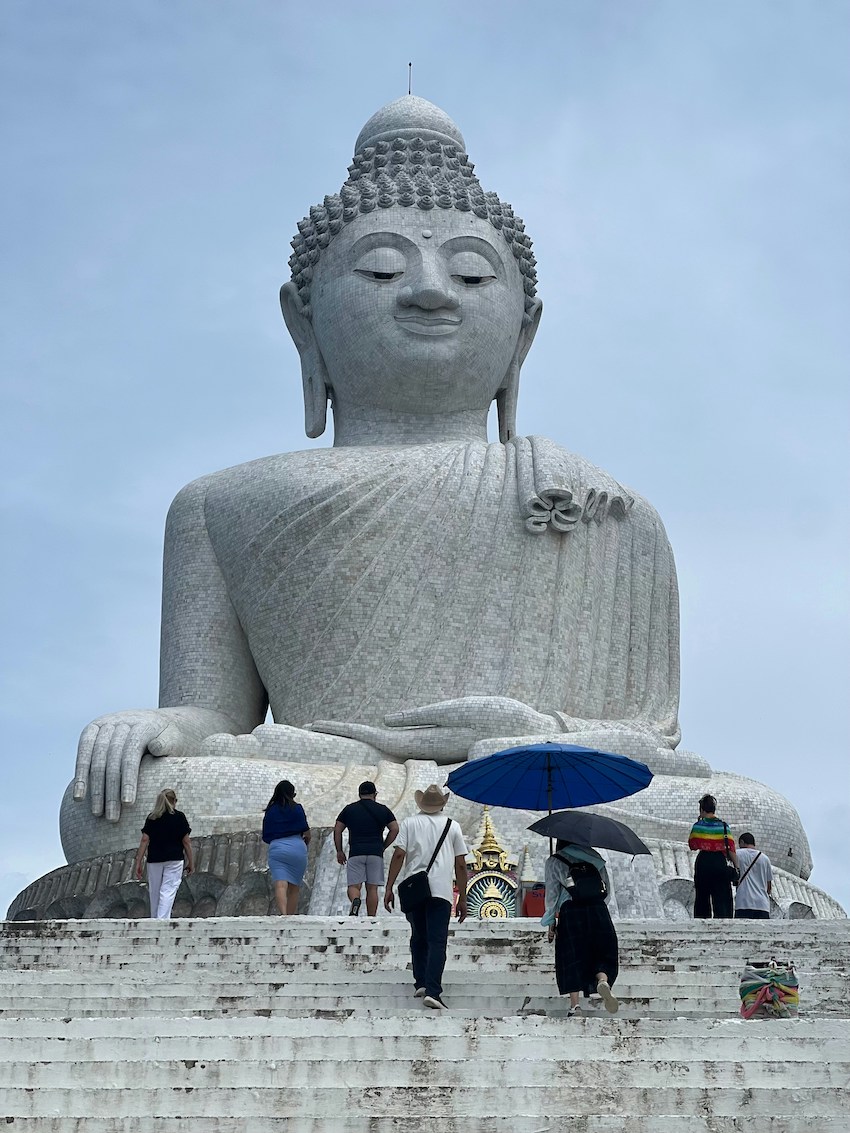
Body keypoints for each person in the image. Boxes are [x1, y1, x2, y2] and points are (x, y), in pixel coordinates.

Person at [65, 96, 815, 914]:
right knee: (113, 801)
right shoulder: (218, 506)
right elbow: (214, 712)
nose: (429, 291)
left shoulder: (608, 509)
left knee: (758, 819)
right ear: (301, 323)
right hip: (329, 773)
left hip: (529, 768)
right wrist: (160, 728)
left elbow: (645, 743)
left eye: (469, 273)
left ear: (523, 334)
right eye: (383, 268)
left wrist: (522, 735)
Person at [384, 785, 468, 1010]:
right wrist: (463, 897)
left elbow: (399, 854)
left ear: (422, 803)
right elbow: (461, 864)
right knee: (437, 941)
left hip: (415, 889)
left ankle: (420, 981)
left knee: (418, 936)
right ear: (443, 803)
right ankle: (433, 990)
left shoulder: (410, 823)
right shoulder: (452, 826)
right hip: (441, 890)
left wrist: (389, 887)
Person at [542, 840, 619, 1017]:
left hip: (571, 911)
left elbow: (552, 895)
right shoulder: (595, 857)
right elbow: (606, 890)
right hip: (598, 911)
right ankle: (602, 980)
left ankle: (575, 1006)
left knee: (572, 956)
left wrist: (551, 922)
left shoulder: (555, 861)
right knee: (602, 952)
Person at [334, 780, 399, 916]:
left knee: (354, 886)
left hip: (356, 852)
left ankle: (355, 900)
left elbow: (338, 829)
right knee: (372, 888)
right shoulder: (383, 810)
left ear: (359, 794)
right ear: (375, 794)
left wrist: (339, 850)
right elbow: (394, 829)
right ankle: (371, 918)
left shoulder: (349, 809)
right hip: (375, 853)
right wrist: (383, 846)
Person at [134, 788, 193, 919]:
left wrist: (138, 862)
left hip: (154, 859)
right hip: (174, 859)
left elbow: (144, 840)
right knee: (168, 890)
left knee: (154, 891)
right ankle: (162, 920)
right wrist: (191, 863)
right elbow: (186, 842)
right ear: (173, 801)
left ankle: (155, 918)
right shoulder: (179, 817)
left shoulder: (152, 818)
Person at [262, 780, 310, 916]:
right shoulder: (297, 808)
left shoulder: (271, 811)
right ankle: (290, 916)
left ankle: (283, 914)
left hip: (278, 848)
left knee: (280, 884)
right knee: (294, 887)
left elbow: (266, 835)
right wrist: (304, 842)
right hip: (297, 848)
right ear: (292, 794)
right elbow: (307, 832)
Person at [688, 794, 737, 919]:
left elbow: (692, 845)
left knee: (702, 896)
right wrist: (737, 867)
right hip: (719, 862)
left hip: (703, 862)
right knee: (722, 896)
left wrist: (700, 823)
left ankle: (702, 919)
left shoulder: (698, 826)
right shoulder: (724, 826)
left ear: (702, 810)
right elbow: (731, 849)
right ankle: (723, 920)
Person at [735, 832, 772, 919]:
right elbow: (769, 887)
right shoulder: (765, 859)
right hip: (762, 905)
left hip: (743, 903)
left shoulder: (737, 854)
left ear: (742, 842)